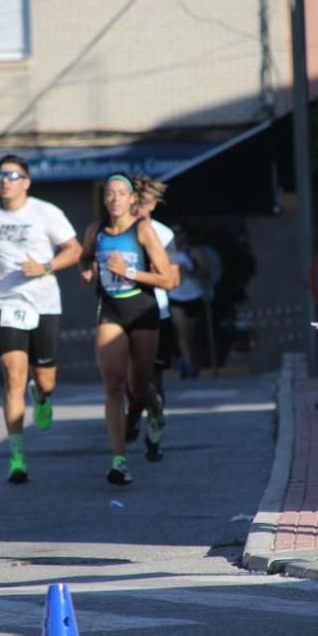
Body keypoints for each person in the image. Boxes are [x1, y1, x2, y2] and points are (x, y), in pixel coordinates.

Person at [0, 154, 82, 484]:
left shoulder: (46, 212)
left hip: (43, 302)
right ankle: (17, 456)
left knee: (46, 380)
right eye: (1, 175)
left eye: (13, 175)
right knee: (12, 374)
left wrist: (45, 267)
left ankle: (43, 395)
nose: (5, 180)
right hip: (4, 302)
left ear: (26, 182)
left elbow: (74, 250)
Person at [78, 172, 175, 485]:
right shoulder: (95, 231)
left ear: (132, 198)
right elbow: (84, 259)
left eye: (121, 193)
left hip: (142, 310)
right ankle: (119, 460)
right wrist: (88, 270)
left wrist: (129, 271)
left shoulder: (144, 230)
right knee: (114, 385)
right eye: (110, 193)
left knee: (138, 386)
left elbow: (168, 279)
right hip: (110, 310)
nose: (115, 199)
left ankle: (155, 408)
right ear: (104, 198)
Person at [124, 175, 179, 446]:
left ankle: (154, 428)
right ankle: (134, 414)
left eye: (145, 203)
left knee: (152, 378)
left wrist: (137, 273)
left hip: (155, 312)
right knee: (127, 377)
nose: (139, 208)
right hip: (121, 310)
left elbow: (173, 279)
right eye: (135, 201)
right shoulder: (116, 231)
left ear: (154, 204)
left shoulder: (164, 234)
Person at [167, 226, 209, 378]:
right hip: (176, 297)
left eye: (180, 234)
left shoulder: (192, 252)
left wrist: (189, 270)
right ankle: (188, 362)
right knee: (181, 331)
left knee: (193, 332)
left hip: (193, 295)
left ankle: (193, 361)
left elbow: (206, 272)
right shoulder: (167, 253)